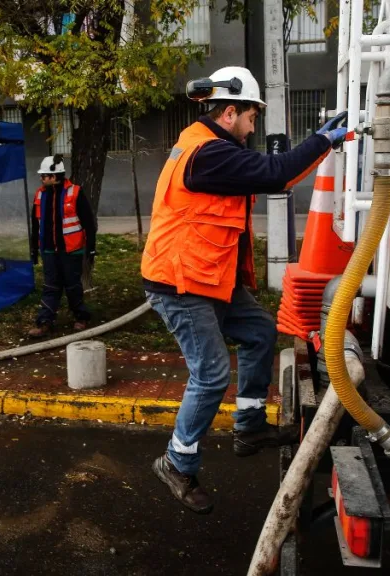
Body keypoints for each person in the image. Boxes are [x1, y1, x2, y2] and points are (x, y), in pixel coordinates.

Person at [141, 66, 348, 513]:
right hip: (180, 283)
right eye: (252, 116)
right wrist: (323, 142)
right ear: (229, 111)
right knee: (211, 373)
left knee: (258, 331)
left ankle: (249, 425)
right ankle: (176, 463)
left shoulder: (210, 148)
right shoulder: (208, 153)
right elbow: (276, 174)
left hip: (208, 277)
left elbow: (265, 175)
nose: (254, 124)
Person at [27, 154, 97, 338]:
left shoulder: (75, 192)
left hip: (71, 250)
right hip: (49, 250)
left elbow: (89, 222)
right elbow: (35, 224)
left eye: (44, 176)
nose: (41, 179)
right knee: (50, 286)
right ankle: (44, 322)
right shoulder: (40, 195)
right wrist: (34, 249)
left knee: (72, 285)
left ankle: (81, 318)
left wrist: (91, 247)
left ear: (54, 176)